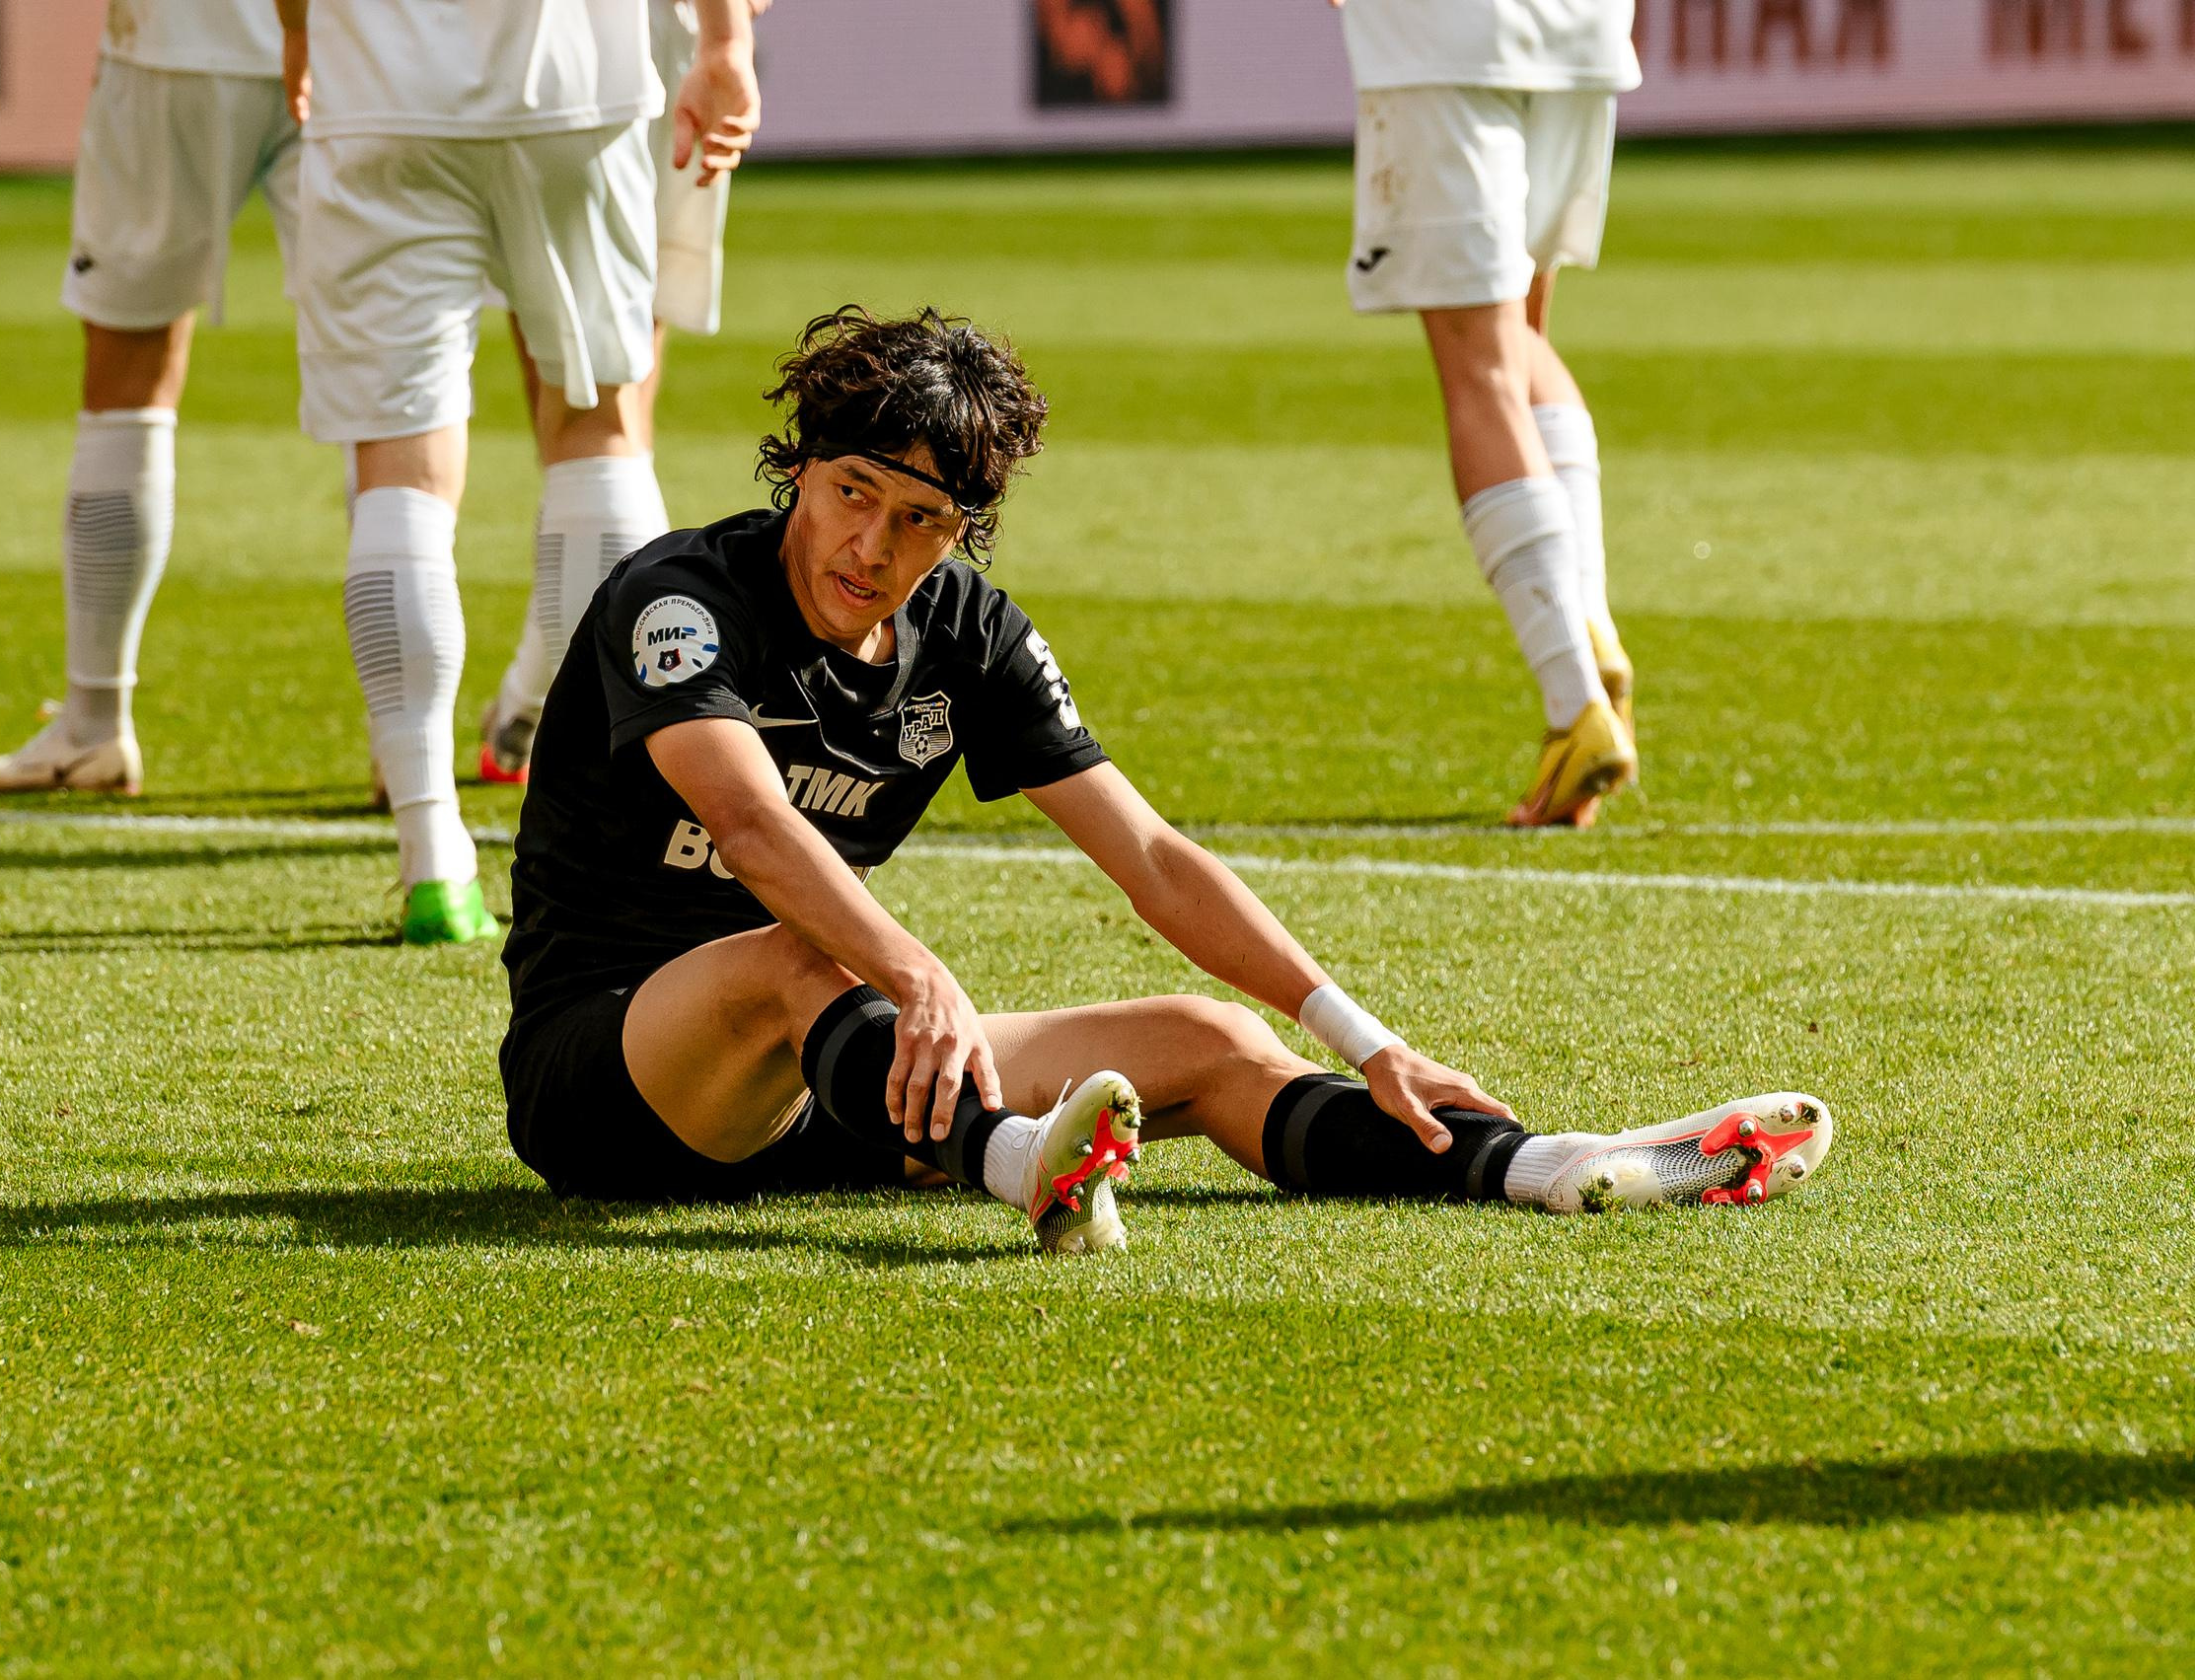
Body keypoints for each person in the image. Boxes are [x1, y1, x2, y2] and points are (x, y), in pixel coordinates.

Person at [499, 307, 1834, 1251]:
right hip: (609, 1075)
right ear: (800, 467)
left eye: (923, 519)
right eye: (853, 492)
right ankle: (1029, 1170)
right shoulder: (679, 598)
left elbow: (1149, 855)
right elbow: (745, 818)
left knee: (1204, 1042)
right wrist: (914, 974)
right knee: (802, 960)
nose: (875, 542)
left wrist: (1365, 1039)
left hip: (836, 1075)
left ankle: (1550, 1166)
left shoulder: (963, 628)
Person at [274, 0, 760, 942]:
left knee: (398, 469)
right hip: (573, 88)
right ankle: (601, 832)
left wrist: (298, 32)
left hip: (379, 91)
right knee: (601, 432)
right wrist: (725, 41)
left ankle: (431, 856)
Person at [0, 0, 300, 797]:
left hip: (175, 43)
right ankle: (404, 752)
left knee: (130, 370)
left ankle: (94, 723)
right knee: (390, 400)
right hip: (362, 56)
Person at [1330, 0, 1641, 827]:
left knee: (1481, 365)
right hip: (1583, 29)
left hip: (1446, 35)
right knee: (1525, 335)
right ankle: (1589, 631)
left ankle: (1577, 701)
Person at [470, 0, 766, 791]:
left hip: (527, 45)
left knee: (584, 405)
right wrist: (728, 28)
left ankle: (541, 713)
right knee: (609, 402)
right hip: (657, 32)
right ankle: (586, 717)